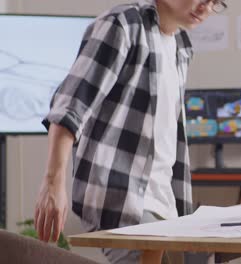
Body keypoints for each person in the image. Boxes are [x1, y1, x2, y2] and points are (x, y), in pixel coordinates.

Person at [33, 0, 227, 263]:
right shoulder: (123, 24)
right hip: (123, 197)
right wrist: (52, 183)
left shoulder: (182, 46)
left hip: (165, 200)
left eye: (215, 2)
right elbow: (70, 106)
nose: (206, 8)